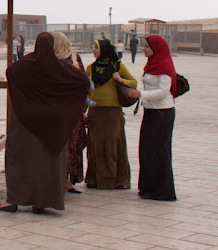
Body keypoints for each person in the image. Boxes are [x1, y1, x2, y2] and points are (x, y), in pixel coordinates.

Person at [0, 33, 89, 213]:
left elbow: (10, 72)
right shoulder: (61, 68)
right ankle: (42, 202)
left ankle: (13, 200)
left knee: (19, 160)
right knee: (47, 164)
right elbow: (83, 81)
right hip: (52, 126)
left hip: (25, 122)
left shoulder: (25, 65)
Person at [126, 35, 177, 201]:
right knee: (147, 150)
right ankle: (148, 187)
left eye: (147, 46)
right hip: (151, 111)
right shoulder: (152, 64)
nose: (144, 49)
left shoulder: (164, 65)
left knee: (159, 151)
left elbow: (164, 91)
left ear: (156, 48)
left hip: (162, 113)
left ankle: (162, 190)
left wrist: (140, 94)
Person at [85, 39, 137, 190]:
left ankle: (115, 180)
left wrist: (120, 79)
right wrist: (83, 111)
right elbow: (87, 91)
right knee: (96, 145)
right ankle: (95, 179)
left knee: (112, 144)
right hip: (95, 113)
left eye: (96, 47)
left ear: (104, 49)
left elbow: (133, 82)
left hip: (112, 114)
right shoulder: (90, 68)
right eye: (93, 47)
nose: (93, 50)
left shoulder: (117, 66)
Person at [50, 33, 88, 194]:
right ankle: (59, 178)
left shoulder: (74, 57)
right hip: (58, 109)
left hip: (72, 108)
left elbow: (85, 81)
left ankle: (69, 177)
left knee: (73, 143)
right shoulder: (49, 59)